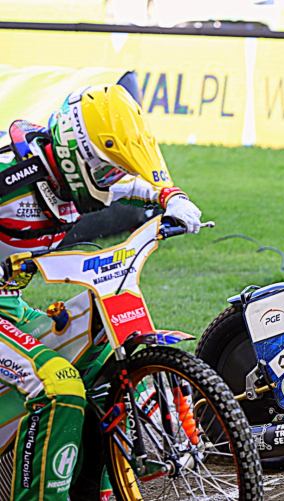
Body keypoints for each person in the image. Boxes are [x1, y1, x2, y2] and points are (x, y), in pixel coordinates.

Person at [0, 84, 202, 500]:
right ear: (78, 159)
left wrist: (171, 196)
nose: (113, 181)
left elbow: (130, 184)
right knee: (57, 385)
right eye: (106, 170)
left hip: (9, 306)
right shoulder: (9, 175)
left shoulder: (61, 171)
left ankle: (103, 490)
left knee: (103, 337)